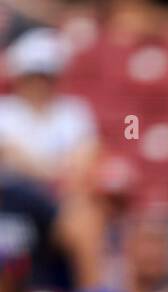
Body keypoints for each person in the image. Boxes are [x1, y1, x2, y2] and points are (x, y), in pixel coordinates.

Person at [0, 28, 99, 190]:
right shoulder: (3, 110)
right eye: (33, 75)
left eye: (46, 76)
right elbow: (8, 154)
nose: (39, 83)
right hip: (13, 195)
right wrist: (48, 171)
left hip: (61, 194)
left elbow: (85, 155)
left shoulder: (74, 110)